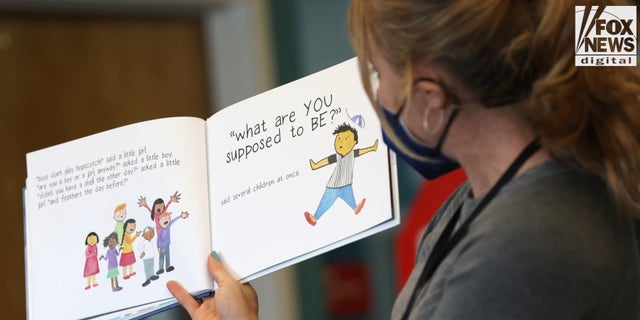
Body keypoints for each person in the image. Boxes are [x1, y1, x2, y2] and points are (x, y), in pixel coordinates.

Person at [167, 0, 640, 318]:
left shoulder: (527, 243)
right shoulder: (482, 200)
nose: (376, 95)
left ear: (430, 96)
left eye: (376, 71)